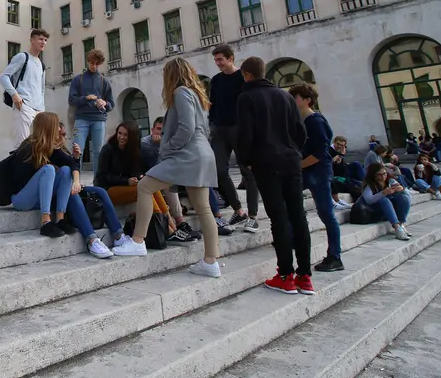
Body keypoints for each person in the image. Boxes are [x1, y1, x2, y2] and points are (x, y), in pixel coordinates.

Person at [113, 58, 221, 280]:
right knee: (204, 210)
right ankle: (211, 261)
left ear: (172, 74)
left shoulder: (181, 92)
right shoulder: (196, 94)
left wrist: (168, 146)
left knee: (144, 186)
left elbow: (186, 128)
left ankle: (137, 241)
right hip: (201, 154)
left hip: (186, 155)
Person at [235, 56, 314, 296]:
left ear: (247, 75)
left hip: (266, 163)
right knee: (298, 217)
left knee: (279, 219)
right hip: (291, 161)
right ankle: (305, 276)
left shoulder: (246, 97)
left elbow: (245, 135)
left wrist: (246, 161)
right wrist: (292, 150)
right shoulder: (285, 96)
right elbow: (300, 132)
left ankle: (285, 275)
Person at [0, 111, 76, 237]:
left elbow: (70, 163)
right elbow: (18, 182)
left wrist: (75, 158)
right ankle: (45, 222)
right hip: (21, 199)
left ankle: (60, 219)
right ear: (48, 127)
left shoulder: (50, 147)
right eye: (56, 125)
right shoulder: (28, 147)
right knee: (49, 170)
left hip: (36, 198)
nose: (59, 129)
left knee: (65, 171)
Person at [289, 84, 344, 272]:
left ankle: (335, 256)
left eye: (295, 97)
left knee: (326, 213)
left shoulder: (316, 121)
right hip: (305, 171)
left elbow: (320, 151)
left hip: (318, 171)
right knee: (290, 201)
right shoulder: (300, 120)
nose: (293, 101)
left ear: (307, 100)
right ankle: (295, 238)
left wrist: (298, 165)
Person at [56, 121, 130, 258]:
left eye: (64, 134)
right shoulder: (47, 149)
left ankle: (118, 236)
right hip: (57, 195)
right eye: (61, 134)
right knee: (73, 195)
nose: (64, 138)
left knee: (100, 191)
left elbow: (73, 168)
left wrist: (76, 158)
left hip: (70, 188)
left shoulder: (61, 149)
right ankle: (92, 240)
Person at [207, 45, 260, 233]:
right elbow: (211, 103)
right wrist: (211, 122)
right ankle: (239, 210)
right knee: (219, 171)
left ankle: (253, 216)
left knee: (248, 171)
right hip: (219, 130)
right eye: (215, 60)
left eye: (220, 59)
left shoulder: (242, 78)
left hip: (239, 129)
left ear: (230, 58)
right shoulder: (215, 80)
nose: (218, 63)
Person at [140, 117, 201, 240]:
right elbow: (156, 167)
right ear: (152, 130)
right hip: (151, 179)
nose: (160, 133)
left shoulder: (171, 142)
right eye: (158, 129)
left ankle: (214, 216)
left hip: (172, 177)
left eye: (164, 131)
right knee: (168, 182)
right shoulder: (145, 143)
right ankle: (179, 222)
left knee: (199, 179)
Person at [68, 49, 115, 179]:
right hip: (81, 119)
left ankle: (97, 183)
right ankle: (76, 182)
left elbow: (111, 104)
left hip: (99, 119)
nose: (94, 66)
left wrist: (104, 103)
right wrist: (85, 98)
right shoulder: (78, 80)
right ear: (88, 61)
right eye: (92, 63)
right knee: (77, 150)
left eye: (97, 64)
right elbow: (71, 100)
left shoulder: (104, 81)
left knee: (98, 152)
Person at [0, 28, 48, 147]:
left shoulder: (41, 64)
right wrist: (14, 95)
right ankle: (19, 165)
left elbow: (42, 89)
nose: (43, 42)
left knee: (40, 145)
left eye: (45, 40)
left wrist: (42, 107)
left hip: (39, 109)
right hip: (24, 105)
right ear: (32, 40)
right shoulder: (22, 57)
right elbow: (4, 77)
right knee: (22, 145)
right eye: (40, 39)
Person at [357, 162, 412, 240]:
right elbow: (369, 200)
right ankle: (397, 228)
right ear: (373, 175)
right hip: (372, 211)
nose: (383, 176)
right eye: (379, 174)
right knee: (384, 200)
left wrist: (401, 189)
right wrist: (383, 193)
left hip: (388, 209)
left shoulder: (390, 181)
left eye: (384, 173)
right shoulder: (369, 184)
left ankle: (401, 224)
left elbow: (408, 194)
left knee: (404, 197)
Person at [329, 136, 362, 207]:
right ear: (334, 142)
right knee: (353, 184)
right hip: (335, 174)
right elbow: (331, 167)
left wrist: (341, 155)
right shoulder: (329, 150)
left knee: (356, 164)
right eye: (338, 144)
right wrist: (336, 160)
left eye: (342, 145)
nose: (339, 146)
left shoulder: (341, 151)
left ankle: (364, 182)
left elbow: (341, 165)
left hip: (342, 173)